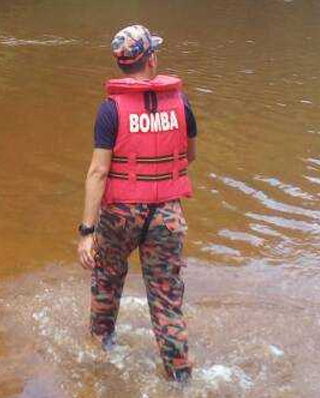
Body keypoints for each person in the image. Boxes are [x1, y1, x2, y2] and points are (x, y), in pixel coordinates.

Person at [77, 24, 197, 383]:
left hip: (121, 214)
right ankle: (181, 378)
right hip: (167, 215)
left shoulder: (110, 110)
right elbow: (189, 155)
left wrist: (86, 232)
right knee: (166, 297)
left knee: (107, 283)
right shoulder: (181, 103)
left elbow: (98, 172)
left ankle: (100, 357)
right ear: (150, 59)